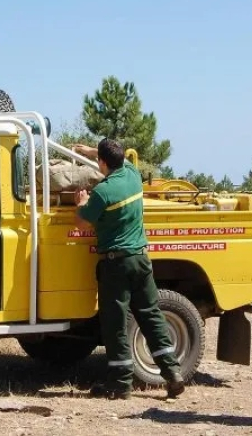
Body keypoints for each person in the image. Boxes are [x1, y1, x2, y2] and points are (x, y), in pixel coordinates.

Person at [72, 138, 185, 400]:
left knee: (115, 322)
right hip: (141, 260)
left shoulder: (103, 192)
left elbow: (81, 224)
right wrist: (90, 151)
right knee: (151, 315)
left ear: (102, 163)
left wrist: (80, 202)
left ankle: (120, 383)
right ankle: (172, 373)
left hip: (116, 264)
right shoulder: (133, 174)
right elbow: (115, 157)